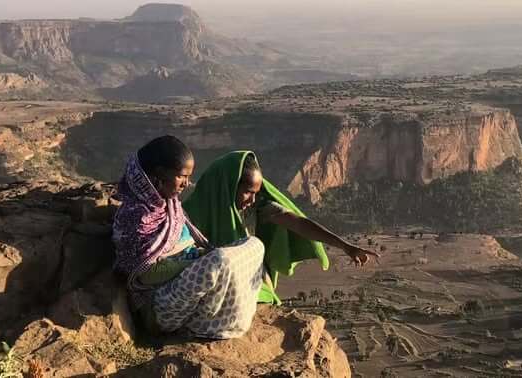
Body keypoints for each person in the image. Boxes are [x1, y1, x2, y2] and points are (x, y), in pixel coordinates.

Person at [112, 136, 266, 339]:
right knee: (219, 261)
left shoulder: (168, 204)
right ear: (159, 174)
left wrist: (199, 258)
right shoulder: (136, 215)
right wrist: (196, 261)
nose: (187, 183)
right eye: (181, 176)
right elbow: (146, 273)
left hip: (184, 286)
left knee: (255, 244)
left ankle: (219, 313)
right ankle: (203, 324)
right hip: (159, 304)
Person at [183, 151, 379, 304]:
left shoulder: (258, 207)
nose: (252, 199)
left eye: (256, 193)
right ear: (228, 186)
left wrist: (345, 246)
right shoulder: (191, 210)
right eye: (247, 192)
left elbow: (298, 223)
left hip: (247, 283)